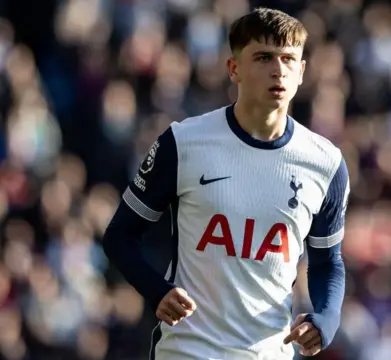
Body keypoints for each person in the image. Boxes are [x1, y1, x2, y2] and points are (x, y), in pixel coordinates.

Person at [102, 7, 349, 360]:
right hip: (187, 351)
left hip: (268, 354)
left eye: (289, 59)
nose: (278, 70)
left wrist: (325, 319)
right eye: (263, 57)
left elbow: (328, 263)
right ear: (234, 68)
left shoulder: (326, 163)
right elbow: (119, 235)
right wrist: (156, 290)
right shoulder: (184, 143)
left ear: (302, 72)